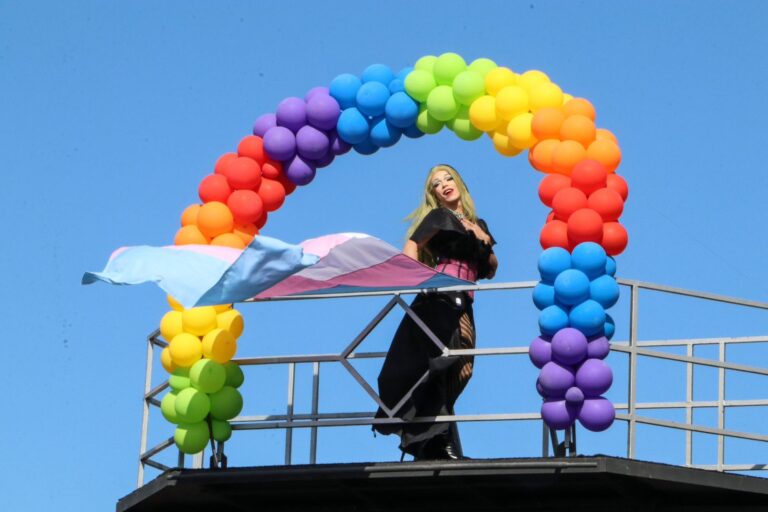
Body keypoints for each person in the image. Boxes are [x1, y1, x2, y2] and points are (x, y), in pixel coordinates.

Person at [373, 164, 497, 461]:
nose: (444, 185)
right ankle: (441, 443)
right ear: (434, 195)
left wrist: (483, 240)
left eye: (448, 178)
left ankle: (431, 440)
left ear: (459, 183)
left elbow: (490, 269)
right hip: (439, 297)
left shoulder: (478, 222)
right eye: (436, 184)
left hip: (464, 299)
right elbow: (412, 245)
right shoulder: (439, 217)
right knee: (444, 364)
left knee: (462, 369)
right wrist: (416, 276)